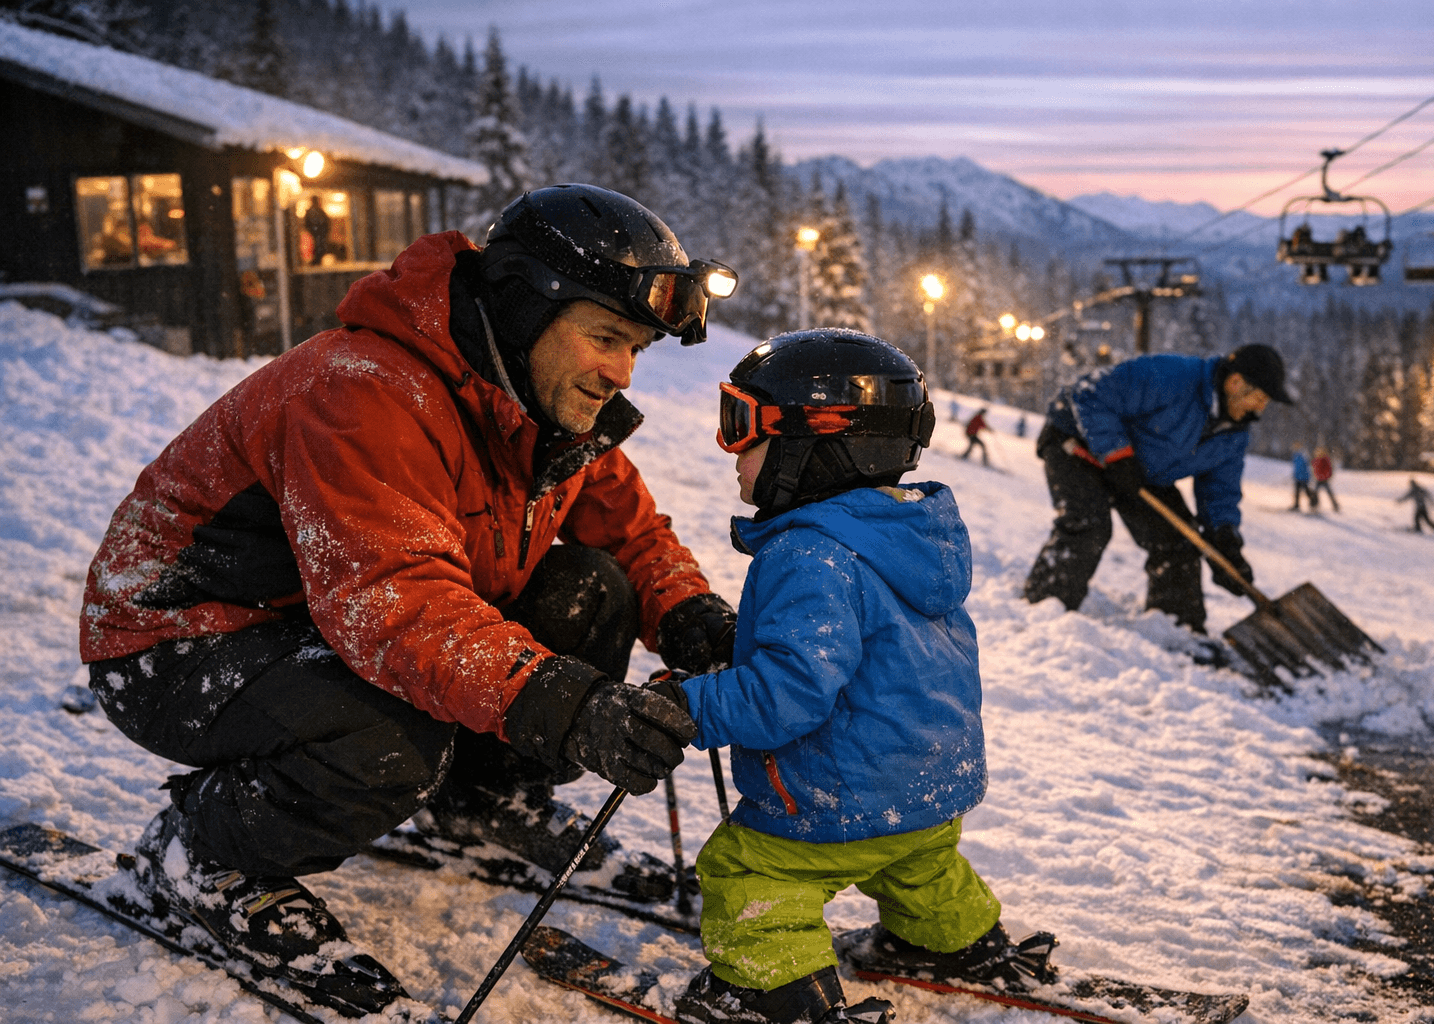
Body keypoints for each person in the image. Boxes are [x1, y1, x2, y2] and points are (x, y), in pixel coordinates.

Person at [79, 184, 741, 1012]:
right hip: (178, 640)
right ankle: (209, 854)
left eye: (636, 347)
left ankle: (481, 800)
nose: (620, 371)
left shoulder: (543, 404)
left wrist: (687, 614)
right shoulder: (363, 390)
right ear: (524, 308)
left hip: (325, 620)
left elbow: (632, 533)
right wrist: (562, 703)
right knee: (395, 731)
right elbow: (394, 604)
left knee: (592, 593)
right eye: (605, 336)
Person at [662, 330, 1056, 1024]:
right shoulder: (913, 534)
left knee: (745, 871)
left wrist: (686, 706)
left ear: (817, 442)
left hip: (840, 797)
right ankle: (948, 940)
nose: (732, 452)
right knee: (920, 865)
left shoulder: (809, 554)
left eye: (741, 428)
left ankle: (768, 988)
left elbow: (787, 696)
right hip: (931, 792)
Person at [1022, 344, 1293, 636]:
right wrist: (1116, 452)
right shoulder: (1172, 376)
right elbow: (1088, 393)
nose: (1261, 408)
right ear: (1235, 382)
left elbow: (1219, 490)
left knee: (1178, 540)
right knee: (1088, 526)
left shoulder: (1234, 433)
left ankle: (1177, 632)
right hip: (1076, 442)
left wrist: (1224, 539)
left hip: (1137, 469)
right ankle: (1043, 611)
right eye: (1260, 397)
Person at [1312, 446, 1340, 512]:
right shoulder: (1316, 459)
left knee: (1329, 492)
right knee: (1315, 493)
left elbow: (1329, 469)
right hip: (1318, 479)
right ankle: (1314, 505)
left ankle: (1335, 505)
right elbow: (1314, 469)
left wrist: (1327, 476)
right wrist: (1315, 475)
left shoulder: (1325, 459)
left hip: (1324, 479)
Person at [1290, 443, 1315, 511]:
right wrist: (1295, 474)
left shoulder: (1303, 455)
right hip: (1298, 477)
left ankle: (1313, 501)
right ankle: (1296, 505)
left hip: (1303, 477)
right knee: (1297, 491)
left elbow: (1304, 466)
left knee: (1306, 491)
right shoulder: (1295, 455)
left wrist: (1299, 473)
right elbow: (1296, 467)